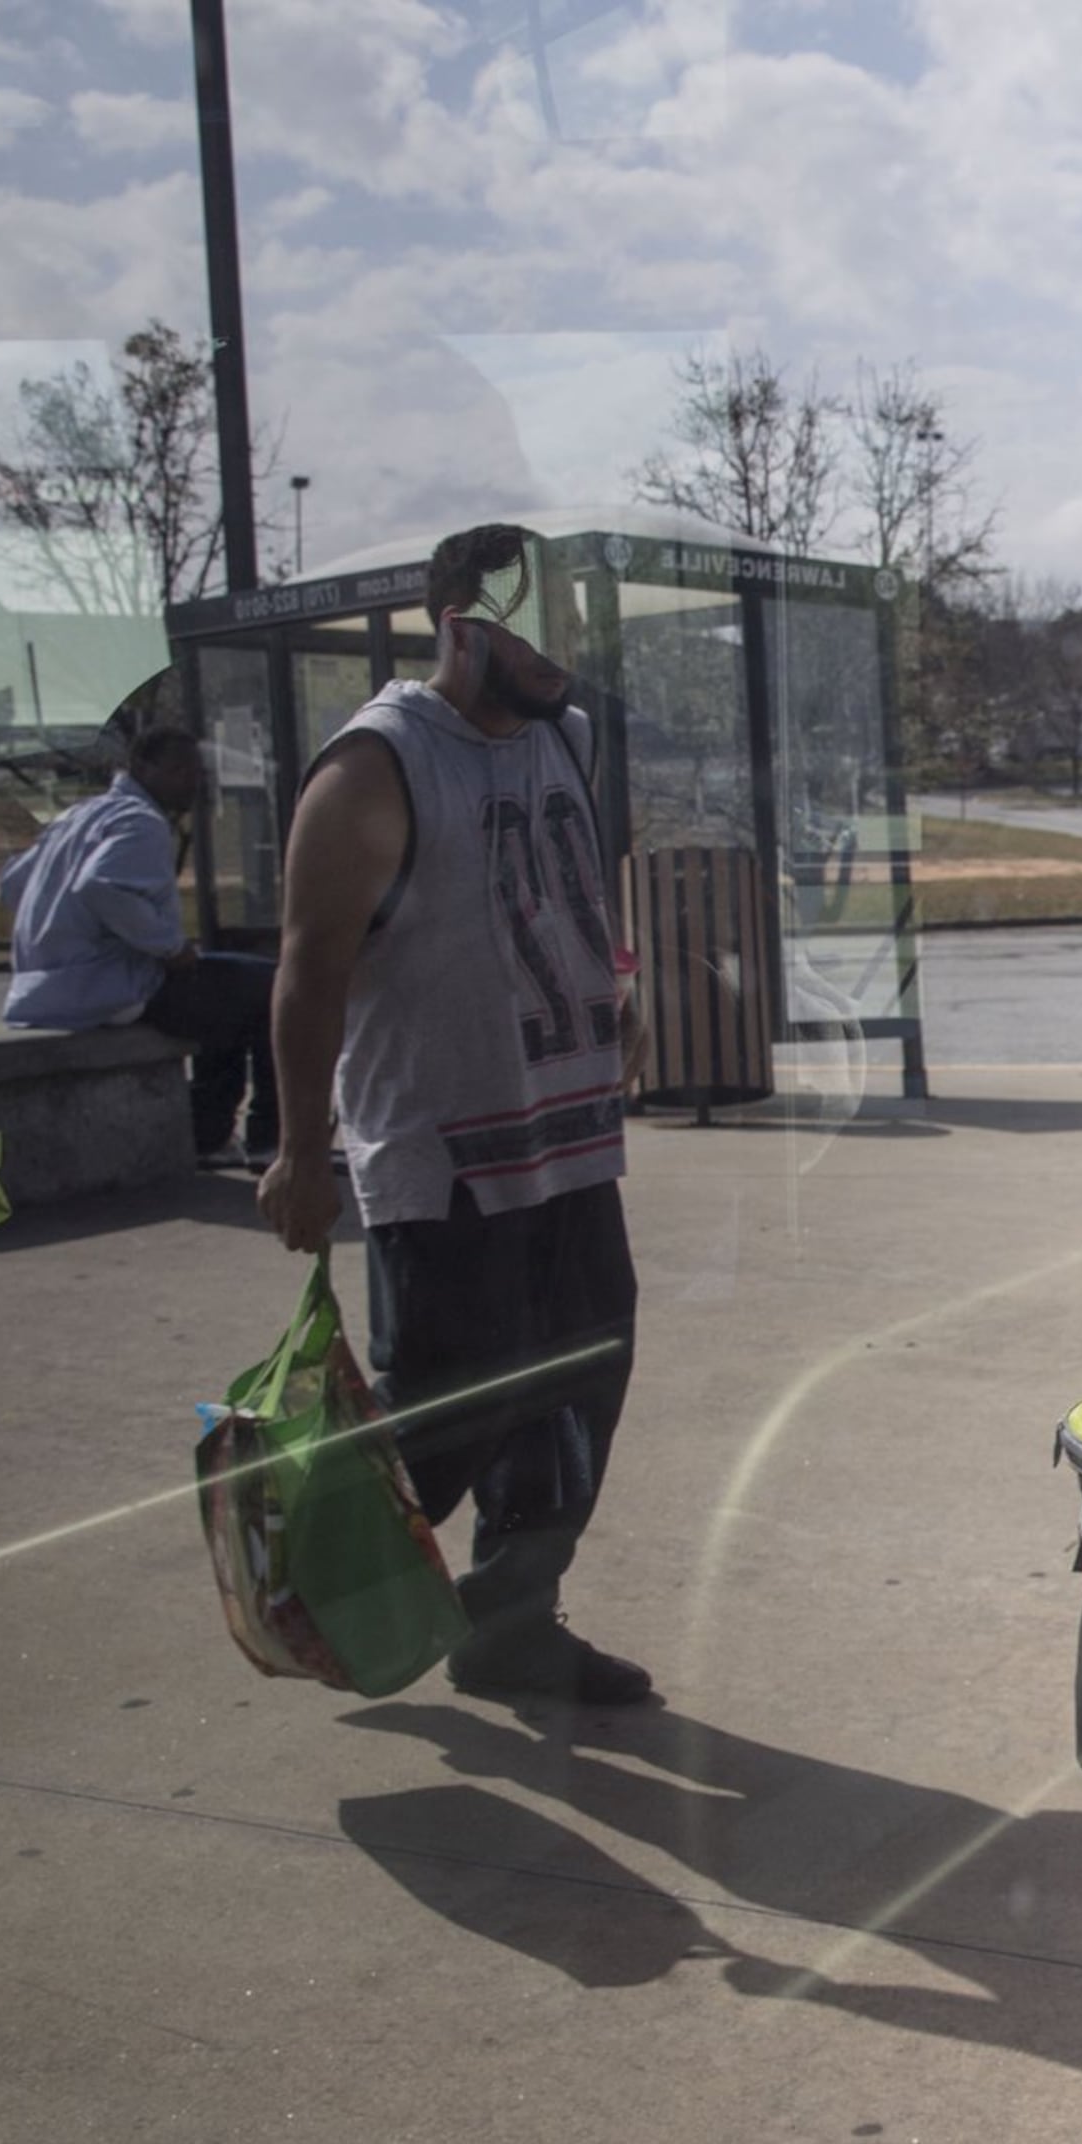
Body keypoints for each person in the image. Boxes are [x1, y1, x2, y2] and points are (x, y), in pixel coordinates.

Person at [256, 523, 650, 1707]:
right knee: (442, 1412)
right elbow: (310, 964)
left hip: (570, 1136)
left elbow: (576, 879)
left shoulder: (567, 738)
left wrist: (612, 982)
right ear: (460, 624)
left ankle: (511, 1627)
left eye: (574, 633)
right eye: (540, 634)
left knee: (577, 1394)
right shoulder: (375, 765)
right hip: (449, 1160)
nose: (562, 660)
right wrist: (299, 1151)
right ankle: (308, 1589)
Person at [0, 723, 279, 1165]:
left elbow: (12, 885)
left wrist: (61, 929)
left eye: (196, 770)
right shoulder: (140, 821)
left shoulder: (80, 815)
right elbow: (103, 887)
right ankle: (268, 1139)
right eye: (179, 770)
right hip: (108, 986)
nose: (192, 780)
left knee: (225, 997)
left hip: (47, 987)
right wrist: (169, 946)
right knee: (277, 989)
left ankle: (208, 1133)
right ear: (142, 768)